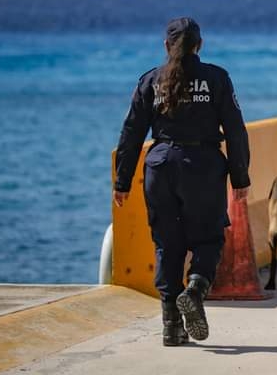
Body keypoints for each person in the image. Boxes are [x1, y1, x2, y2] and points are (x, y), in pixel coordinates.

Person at [114, 17, 251, 346]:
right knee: (208, 239)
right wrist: (240, 175)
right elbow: (235, 130)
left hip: (160, 169)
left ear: (166, 46)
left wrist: (122, 180)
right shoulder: (217, 78)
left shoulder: (150, 81)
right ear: (199, 46)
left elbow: (131, 133)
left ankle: (171, 328)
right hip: (203, 167)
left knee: (167, 245)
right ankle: (196, 288)